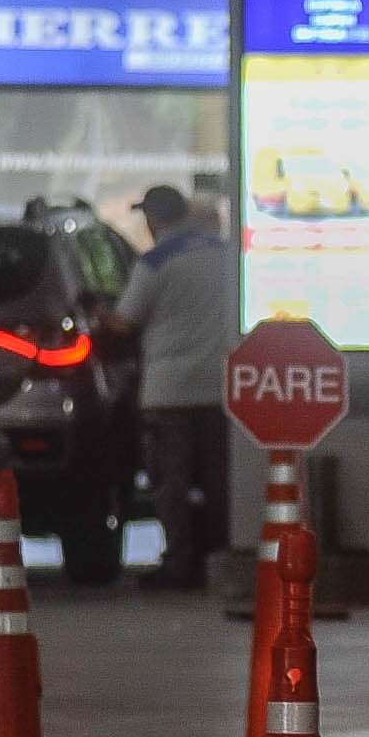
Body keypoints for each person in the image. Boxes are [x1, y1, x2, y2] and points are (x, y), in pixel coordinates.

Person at [111, 185, 236, 590]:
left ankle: (179, 566)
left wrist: (98, 312)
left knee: (171, 485)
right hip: (222, 390)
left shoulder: (154, 262)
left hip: (169, 394)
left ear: (151, 219)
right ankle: (220, 562)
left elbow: (124, 323)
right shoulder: (225, 254)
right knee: (220, 483)